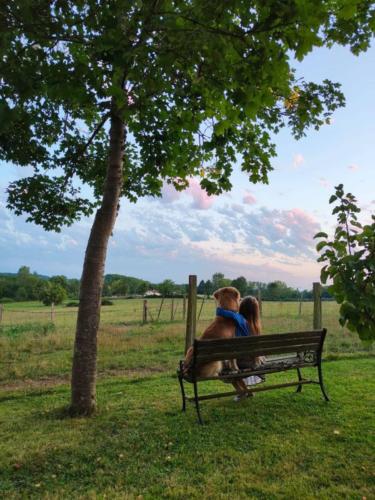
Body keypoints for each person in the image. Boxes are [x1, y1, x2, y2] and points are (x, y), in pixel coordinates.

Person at [237, 295, 265, 389]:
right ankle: (245, 391)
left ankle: (243, 391)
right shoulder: (256, 326)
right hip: (255, 361)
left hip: (241, 363)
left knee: (226, 365)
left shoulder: (238, 324)